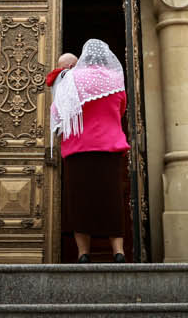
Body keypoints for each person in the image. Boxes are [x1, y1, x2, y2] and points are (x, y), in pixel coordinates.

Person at [48, 38, 130, 263]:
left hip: (78, 150)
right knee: (112, 201)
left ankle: (83, 253)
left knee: (79, 203)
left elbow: (59, 113)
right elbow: (120, 108)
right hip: (109, 147)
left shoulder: (70, 80)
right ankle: (119, 252)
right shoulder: (116, 79)